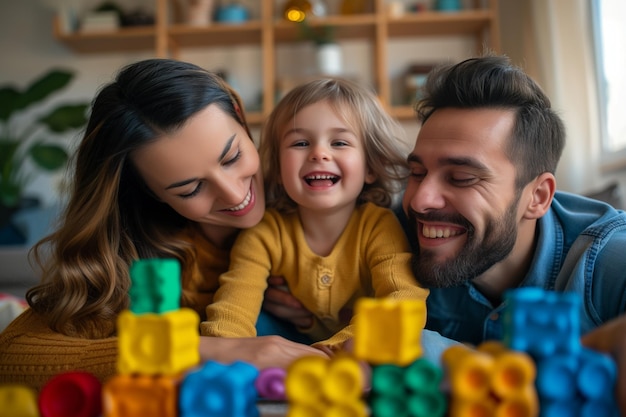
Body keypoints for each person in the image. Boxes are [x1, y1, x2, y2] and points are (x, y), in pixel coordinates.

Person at [263, 55, 626, 413]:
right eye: (417, 173)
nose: (420, 201)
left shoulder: (608, 259)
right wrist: (309, 306)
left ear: (538, 196)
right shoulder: (389, 235)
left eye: (461, 178)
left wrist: (427, 350)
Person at [0, 58, 326, 391]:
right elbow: (11, 355)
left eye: (231, 157)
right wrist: (204, 349)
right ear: (151, 193)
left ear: (240, 117)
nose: (233, 193)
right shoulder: (146, 268)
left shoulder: (318, 194)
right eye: (191, 188)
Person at [201, 78, 429, 354]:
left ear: (370, 166)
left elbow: (403, 297)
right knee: (255, 321)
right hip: (287, 340)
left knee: (414, 336)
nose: (319, 153)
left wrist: (332, 351)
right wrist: (225, 350)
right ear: (279, 166)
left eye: (340, 142)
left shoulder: (378, 225)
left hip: (356, 348)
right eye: (300, 143)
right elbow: (234, 305)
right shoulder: (265, 232)